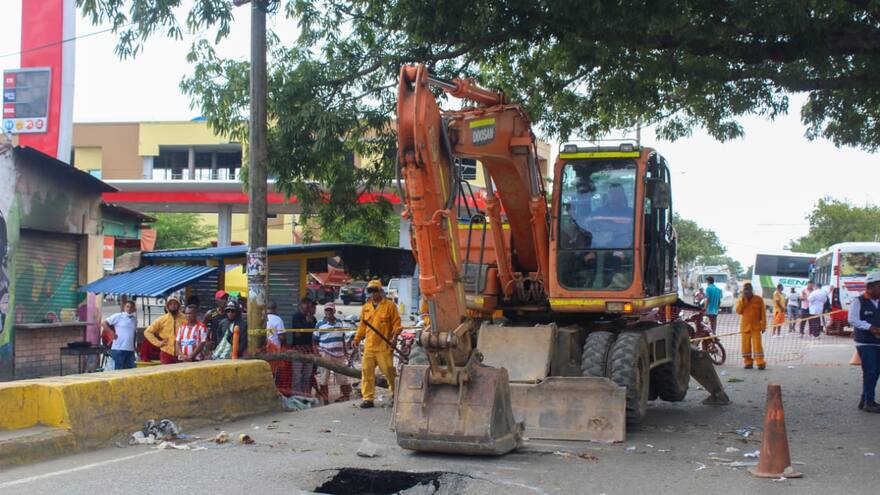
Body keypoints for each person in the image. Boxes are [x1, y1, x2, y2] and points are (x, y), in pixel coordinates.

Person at [353, 279, 402, 408]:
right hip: (369, 347)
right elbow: (362, 327)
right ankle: (368, 399)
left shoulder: (390, 306)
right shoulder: (366, 308)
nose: (373, 294)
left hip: (384, 347)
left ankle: (395, 393)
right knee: (367, 372)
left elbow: (397, 324)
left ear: (380, 291)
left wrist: (394, 339)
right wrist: (356, 339)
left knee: (389, 371)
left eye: (375, 291)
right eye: (370, 291)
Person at [848, 271, 880, 413]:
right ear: (870, 287)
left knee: (876, 371)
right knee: (870, 371)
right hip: (865, 342)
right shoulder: (859, 301)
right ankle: (869, 402)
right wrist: (869, 327)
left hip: (878, 342)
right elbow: (852, 319)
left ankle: (865, 398)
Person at [314, 303, 352, 404]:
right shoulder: (319, 324)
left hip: (339, 354)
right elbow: (314, 340)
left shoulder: (339, 322)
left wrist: (345, 351)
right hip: (325, 353)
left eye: (330, 310)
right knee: (324, 378)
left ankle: (345, 397)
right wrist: (317, 353)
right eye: (327, 310)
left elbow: (342, 338)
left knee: (342, 377)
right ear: (324, 311)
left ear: (334, 311)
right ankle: (325, 399)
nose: (328, 312)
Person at [144, 297, 186, 364]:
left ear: (179, 305)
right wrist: (158, 343)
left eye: (175, 303)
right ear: (167, 306)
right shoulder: (162, 319)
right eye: (170, 304)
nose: (173, 305)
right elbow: (147, 332)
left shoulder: (185, 318)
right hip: (166, 353)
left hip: (182, 352)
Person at [289, 297, 317, 395]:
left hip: (309, 349)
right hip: (298, 349)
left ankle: (304, 394)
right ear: (301, 305)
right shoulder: (296, 316)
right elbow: (298, 334)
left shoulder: (313, 319)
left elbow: (314, 334)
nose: (308, 307)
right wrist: (307, 323)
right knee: (297, 375)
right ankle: (296, 395)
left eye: (309, 305)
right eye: (306, 304)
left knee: (307, 375)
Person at [736, 282, 767, 370]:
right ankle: (748, 362)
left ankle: (760, 362)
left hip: (756, 327)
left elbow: (763, 314)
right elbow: (739, 311)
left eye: (749, 289)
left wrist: (763, 326)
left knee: (757, 345)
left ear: (751, 290)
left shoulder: (758, 299)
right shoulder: (741, 300)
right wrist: (743, 300)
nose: (747, 291)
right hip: (745, 327)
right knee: (745, 346)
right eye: (746, 290)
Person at [102, 300, 138, 370]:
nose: (129, 309)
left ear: (134, 309)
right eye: (127, 307)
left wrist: (134, 347)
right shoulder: (118, 316)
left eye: (131, 307)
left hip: (130, 350)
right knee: (119, 371)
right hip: (118, 349)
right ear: (124, 308)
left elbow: (134, 333)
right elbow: (104, 323)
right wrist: (111, 333)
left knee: (130, 371)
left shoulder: (134, 320)